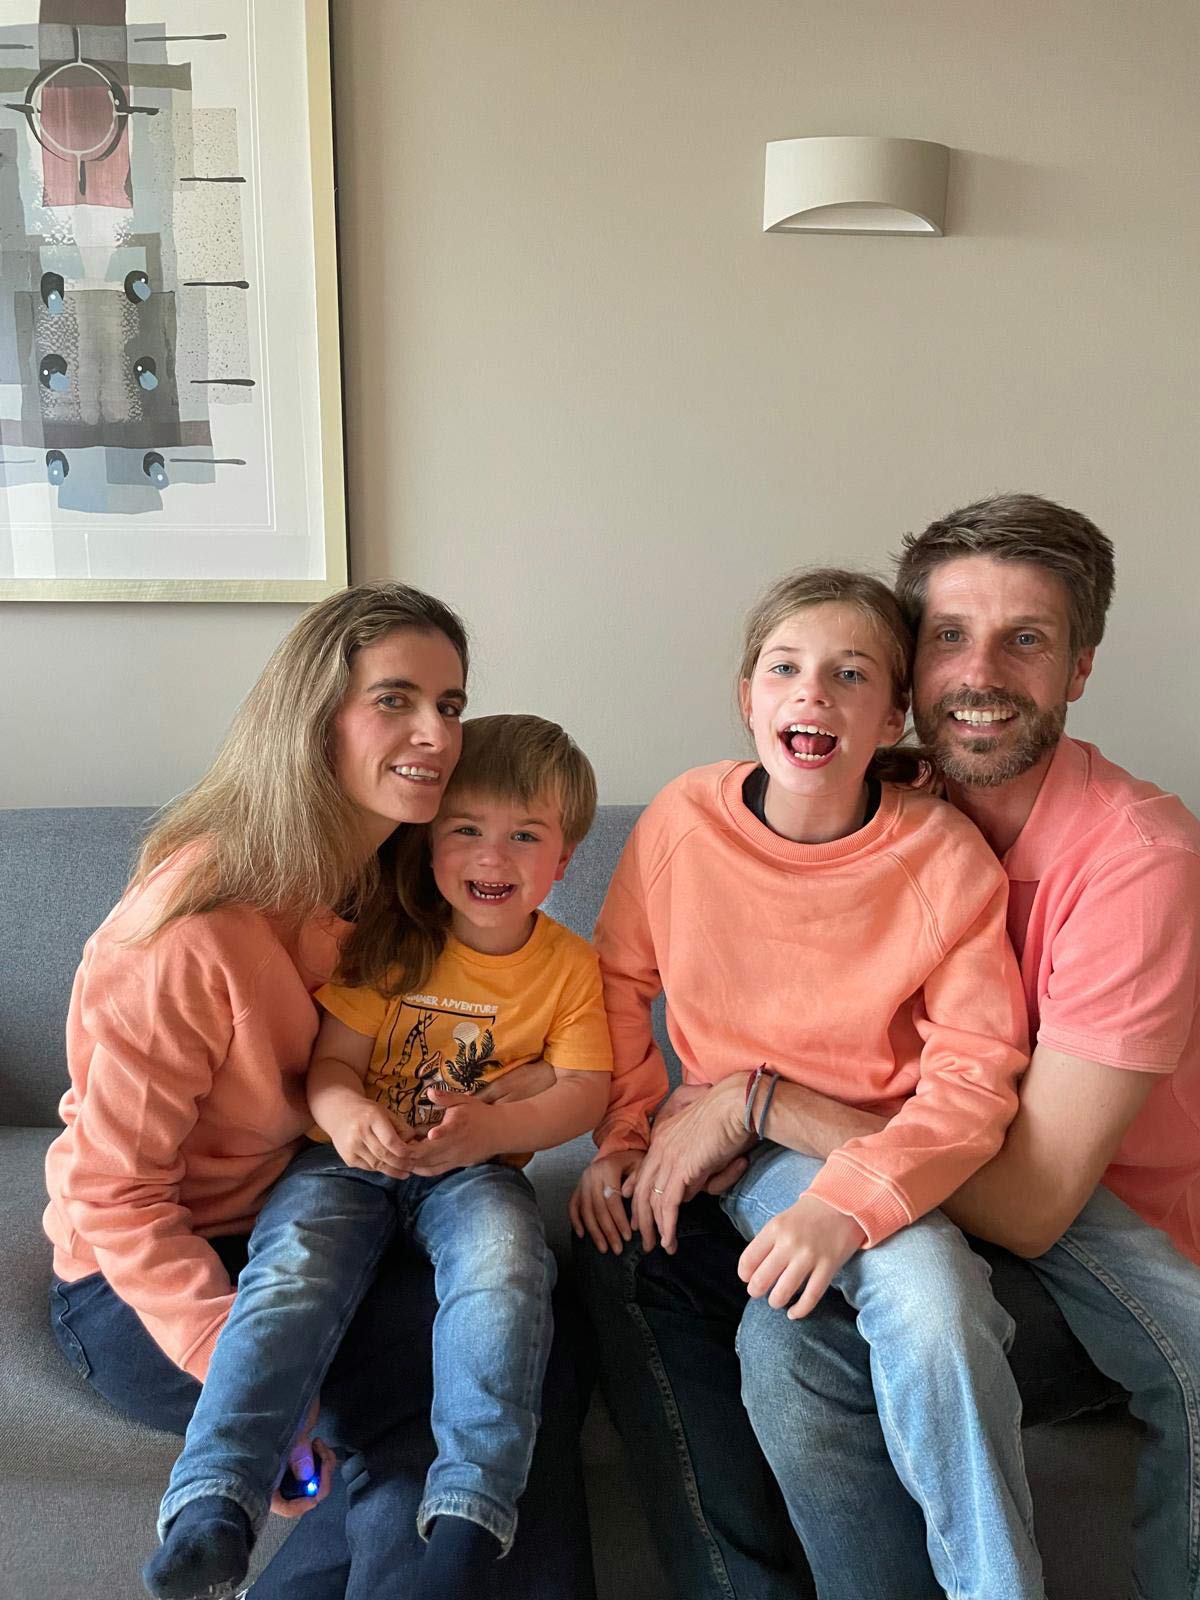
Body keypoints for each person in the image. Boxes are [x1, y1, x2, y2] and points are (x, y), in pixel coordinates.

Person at [576, 496, 1200, 1600]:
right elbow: (624, 977)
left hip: (1079, 1217)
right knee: (724, 1306)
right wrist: (638, 1130)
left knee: (821, 1336)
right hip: (898, 1167)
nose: (982, 671)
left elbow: (1027, 1198)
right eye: (952, 636)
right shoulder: (884, 795)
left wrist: (756, 1101)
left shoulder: (1131, 857)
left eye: (1028, 638)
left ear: (1081, 666)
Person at [44, 585, 598, 1600]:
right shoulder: (187, 927)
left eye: (451, 702)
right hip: (147, 1282)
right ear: (315, 719)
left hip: (326, 1220)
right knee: (452, 1381)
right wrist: (248, 1370)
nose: (436, 733)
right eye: (397, 699)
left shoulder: (398, 878)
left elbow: (500, 1029)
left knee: (528, 1327)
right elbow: (112, 1199)